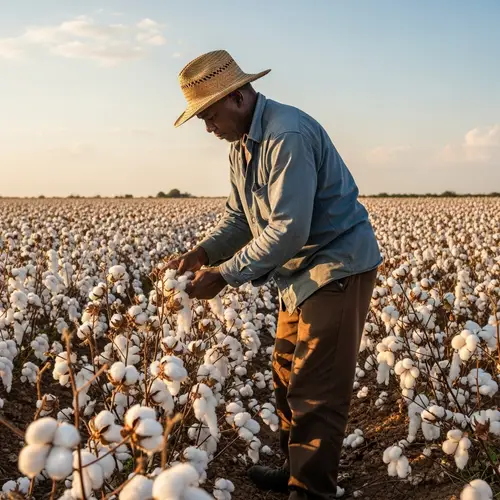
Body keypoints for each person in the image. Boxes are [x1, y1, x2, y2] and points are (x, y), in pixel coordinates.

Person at [167, 49, 382, 500]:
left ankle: (311, 490)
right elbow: (241, 218)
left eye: (209, 115)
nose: (208, 127)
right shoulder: (241, 146)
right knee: (286, 375)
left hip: (335, 265)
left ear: (239, 97)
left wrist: (224, 275)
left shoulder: (287, 134)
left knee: (316, 388)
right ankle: (295, 471)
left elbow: (288, 228)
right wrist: (201, 252)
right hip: (298, 275)